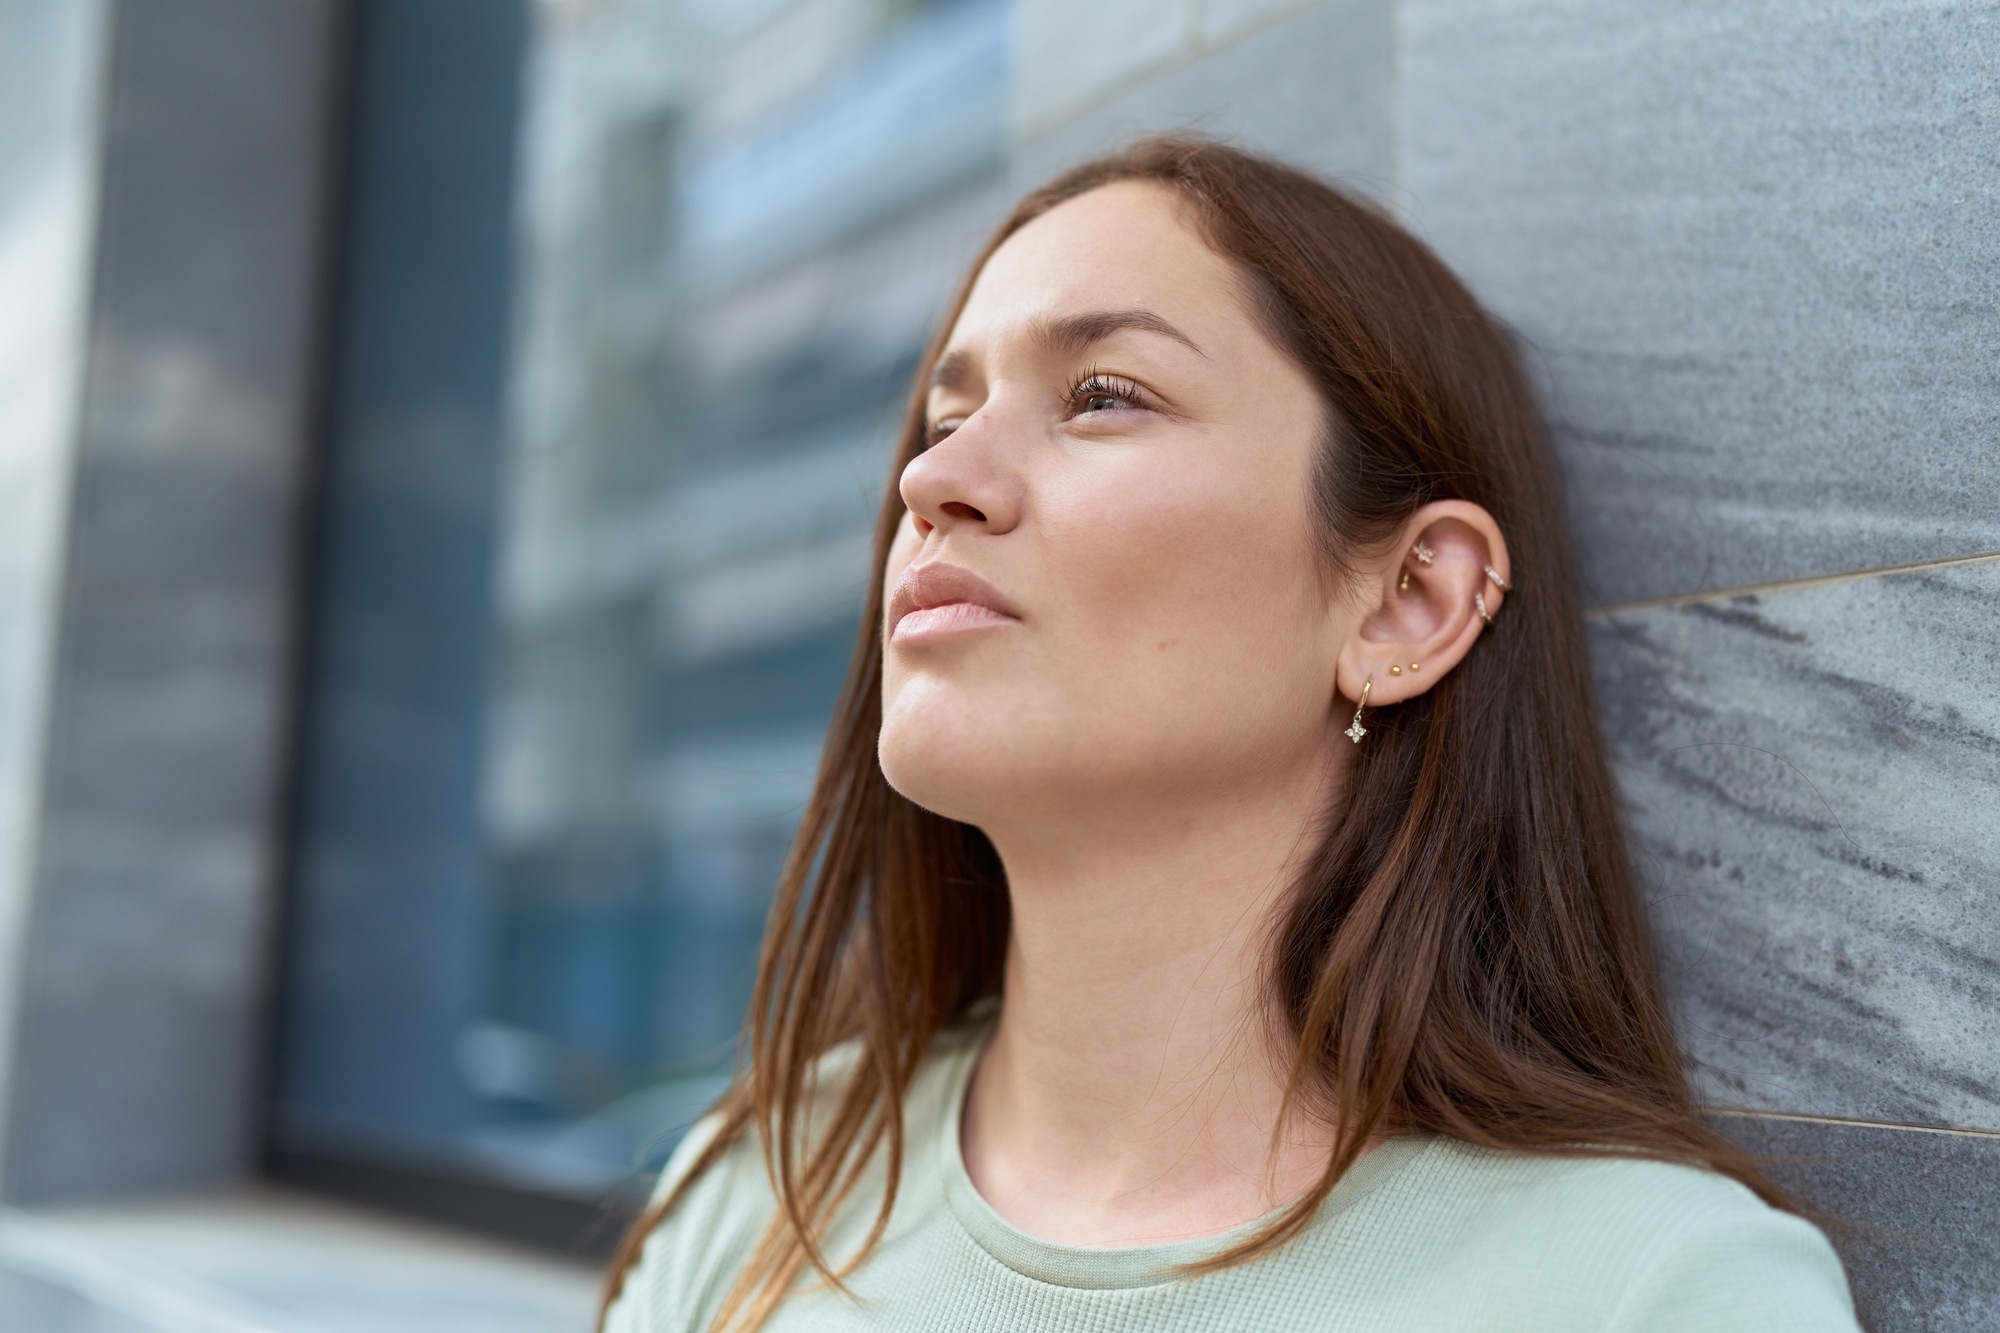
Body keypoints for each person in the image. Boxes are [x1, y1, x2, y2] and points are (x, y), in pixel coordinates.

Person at [600, 137, 1860, 1333]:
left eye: (1101, 396)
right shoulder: (769, 1186)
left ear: (1407, 601)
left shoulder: (1654, 1292)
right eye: (940, 423)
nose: (931, 484)